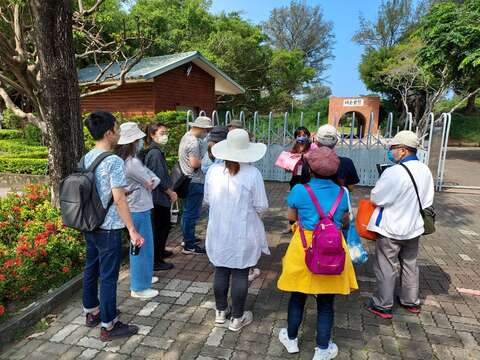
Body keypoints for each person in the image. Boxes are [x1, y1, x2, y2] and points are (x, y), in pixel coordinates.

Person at [277, 146, 358, 360]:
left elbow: (292, 218)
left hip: (304, 245)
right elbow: (345, 220)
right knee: (326, 302)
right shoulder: (343, 193)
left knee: (297, 296)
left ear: (310, 169)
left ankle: (291, 339)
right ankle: (322, 350)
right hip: (332, 247)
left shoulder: (299, 190)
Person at [83, 112, 144, 341]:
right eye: (117, 129)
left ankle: (92, 312)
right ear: (108, 132)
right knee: (108, 277)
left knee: (91, 269)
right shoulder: (113, 161)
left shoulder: (87, 157)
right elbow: (119, 200)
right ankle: (109, 325)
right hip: (108, 227)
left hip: (90, 224)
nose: (119, 133)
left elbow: (98, 189)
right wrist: (132, 229)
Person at [204, 129, 269, 332]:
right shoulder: (253, 173)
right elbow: (262, 206)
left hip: (218, 229)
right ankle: (237, 318)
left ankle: (221, 312)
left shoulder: (213, 171)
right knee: (241, 272)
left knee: (221, 270)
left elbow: (207, 200)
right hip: (243, 230)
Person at [365, 131, 434, 319]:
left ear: (403, 150)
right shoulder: (425, 170)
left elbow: (377, 198)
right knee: (410, 264)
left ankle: (383, 304)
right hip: (414, 227)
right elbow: (427, 201)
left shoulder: (394, 171)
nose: (390, 152)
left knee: (386, 266)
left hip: (391, 228)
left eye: (393, 148)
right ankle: (410, 301)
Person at [115, 122, 160, 300]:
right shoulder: (132, 162)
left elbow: (149, 179)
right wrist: (152, 180)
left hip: (135, 206)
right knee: (141, 247)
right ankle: (139, 287)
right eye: (139, 139)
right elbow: (151, 181)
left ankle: (145, 277)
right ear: (133, 141)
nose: (142, 141)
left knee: (144, 246)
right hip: (138, 207)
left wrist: (150, 180)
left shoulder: (124, 159)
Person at [178, 116, 213, 254]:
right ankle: (189, 245)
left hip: (188, 180)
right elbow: (195, 163)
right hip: (195, 181)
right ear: (202, 128)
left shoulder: (186, 136)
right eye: (207, 129)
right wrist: (206, 162)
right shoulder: (193, 142)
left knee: (187, 212)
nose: (207, 132)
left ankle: (187, 238)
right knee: (191, 214)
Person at [144, 123, 176, 271]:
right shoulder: (155, 153)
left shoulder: (155, 151)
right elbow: (158, 177)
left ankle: (160, 252)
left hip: (158, 196)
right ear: (152, 135)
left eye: (166, 132)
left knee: (163, 226)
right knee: (160, 227)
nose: (165, 136)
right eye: (162, 133)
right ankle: (156, 260)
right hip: (158, 197)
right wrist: (170, 192)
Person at [283, 126, 312, 235]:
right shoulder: (294, 149)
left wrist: (303, 156)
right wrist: (287, 165)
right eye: (299, 135)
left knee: (306, 202)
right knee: (293, 202)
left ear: (308, 136)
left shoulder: (312, 147)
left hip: (308, 179)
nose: (301, 137)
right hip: (295, 179)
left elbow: (314, 159)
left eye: (304, 135)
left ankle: (304, 225)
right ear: (295, 137)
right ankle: (291, 226)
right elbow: (288, 168)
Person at [315, 125, 360, 189]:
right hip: (339, 198)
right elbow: (351, 187)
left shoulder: (309, 162)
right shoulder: (347, 163)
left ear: (316, 142)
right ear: (336, 142)